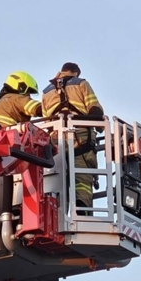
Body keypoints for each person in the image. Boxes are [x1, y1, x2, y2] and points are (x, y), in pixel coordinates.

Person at [40, 63, 103, 211]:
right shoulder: (81, 83)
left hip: (55, 141)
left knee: (59, 179)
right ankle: (82, 212)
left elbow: (45, 121)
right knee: (82, 178)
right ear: (75, 73)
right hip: (80, 138)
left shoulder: (46, 92)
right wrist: (100, 127)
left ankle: (58, 214)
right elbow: (95, 110)